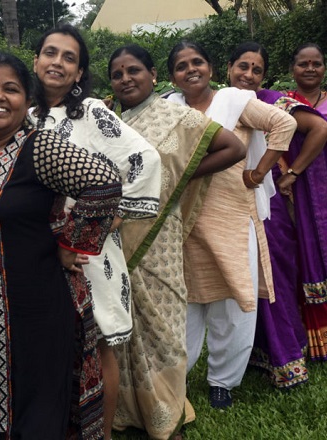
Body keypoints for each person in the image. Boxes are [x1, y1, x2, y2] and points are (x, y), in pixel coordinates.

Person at [0, 51, 122, 440]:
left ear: (28, 100)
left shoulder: (39, 148)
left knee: (34, 404)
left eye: (11, 89)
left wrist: (71, 240)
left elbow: (105, 183)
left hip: (36, 306)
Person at [29, 24, 162, 440]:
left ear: (80, 72)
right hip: (37, 245)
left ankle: (100, 434)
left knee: (101, 340)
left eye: (69, 58)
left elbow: (144, 158)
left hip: (89, 249)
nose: (58, 62)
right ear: (36, 61)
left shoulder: (91, 112)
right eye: (50, 53)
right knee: (50, 342)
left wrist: (108, 219)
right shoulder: (22, 113)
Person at [106, 44, 246, 439]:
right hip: (118, 238)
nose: (125, 79)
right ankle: (130, 412)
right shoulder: (113, 123)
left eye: (134, 70)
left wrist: (179, 176)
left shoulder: (175, 114)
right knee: (125, 326)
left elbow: (233, 148)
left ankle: (166, 415)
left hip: (159, 235)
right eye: (117, 74)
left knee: (163, 327)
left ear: (153, 74)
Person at [166, 41, 297, 409]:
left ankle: (222, 382)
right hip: (184, 219)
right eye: (181, 66)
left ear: (211, 67)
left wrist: (258, 172)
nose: (190, 70)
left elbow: (283, 124)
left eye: (197, 62)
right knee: (186, 301)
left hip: (233, 217)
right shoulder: (169, 108)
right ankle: (178, 375)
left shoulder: (235, 100)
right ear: (172, 75)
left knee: (233, 302)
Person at [227, 41, 327, 386]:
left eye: (257, 70)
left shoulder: (272, 101)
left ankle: (288, 359)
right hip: (227, 206)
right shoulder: (220, 102)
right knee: (244, 282)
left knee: (273, 280)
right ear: (228, 68)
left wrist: (291, 174)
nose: (249, 75)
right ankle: (255, 353)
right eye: (243, 66)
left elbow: (319, 129)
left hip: (266, 206)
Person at [286, 43, 327, 361]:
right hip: (299, 192)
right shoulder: (284, 104)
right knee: (306, 253)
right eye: (304, 64)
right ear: (293, 69)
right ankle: (315, 340)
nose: (310, 68)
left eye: (317, 63)